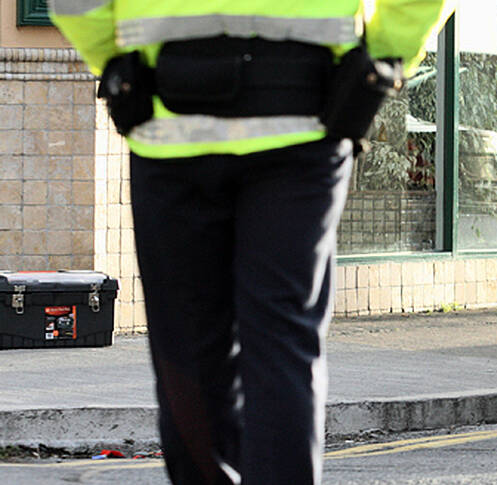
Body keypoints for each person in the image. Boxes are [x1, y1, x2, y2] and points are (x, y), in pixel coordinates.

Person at [50, 2, 454, 484]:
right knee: (281, 340)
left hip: (171, 122)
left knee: (188, 347)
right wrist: (384, 58)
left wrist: (112, 59)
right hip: (302, 120)